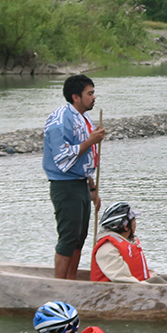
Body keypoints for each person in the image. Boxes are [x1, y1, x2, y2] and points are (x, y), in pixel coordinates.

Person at [44, 75, 106, 280]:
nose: (94, 97)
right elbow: (62, 157)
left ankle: (71, 281)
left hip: (80, 184)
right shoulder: (60, 120)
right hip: (65, 185)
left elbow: (86, 159)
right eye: (89, 94)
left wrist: (92, 189)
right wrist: (91, 140)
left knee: (80, 237)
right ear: (75, 97)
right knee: (69, 237)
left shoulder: (84, 119)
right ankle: (60, 283)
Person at [89, 202, 167, 284]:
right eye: (133, 220)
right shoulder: (107, 248)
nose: (135, 223)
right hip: (117, 294)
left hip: (133, 290)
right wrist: (147, 285)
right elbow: (121, 278)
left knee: (163, 278)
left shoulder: (126, 242)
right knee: (157, 281)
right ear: (126, 226)